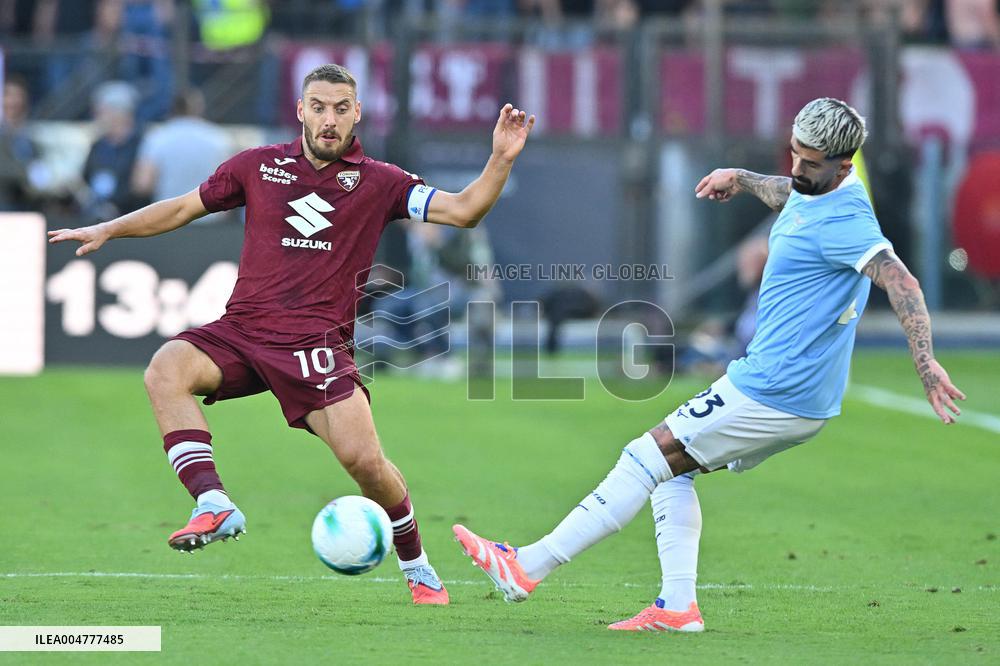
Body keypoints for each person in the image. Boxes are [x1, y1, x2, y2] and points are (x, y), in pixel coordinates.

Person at [452, 97, 965, 630]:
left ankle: (525, 567)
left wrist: (927, 365)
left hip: (775, 389)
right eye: (794, 153)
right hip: (787, 389)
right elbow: (791, 192)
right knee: (673, 474)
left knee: (641, 456)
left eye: (811, 162)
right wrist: (740, 177)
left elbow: (902, 281)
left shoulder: (849, 219)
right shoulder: (814, 189)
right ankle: (677, 608)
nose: (796, 168)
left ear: (844, 164)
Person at [49, 63, 535, 605]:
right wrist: (109, 228)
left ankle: (417, 565)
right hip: (243, 330)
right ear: (302, 110)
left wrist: (500, 159)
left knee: (366, 466)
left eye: (341, 108)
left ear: (357, 115)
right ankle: (212, 501)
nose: (330, 120)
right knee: (167, 368)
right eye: (319, 107)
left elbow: (464, 210)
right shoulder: (257, 167)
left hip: (317, 347)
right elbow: (184, 207)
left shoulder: (381, 182)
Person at [132, 88, 232, 221]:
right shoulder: (218, 139)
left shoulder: (157, 138)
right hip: (210, 220)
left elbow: (142, 185)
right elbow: (230, 186)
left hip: (168, 220)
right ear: (198, 108)